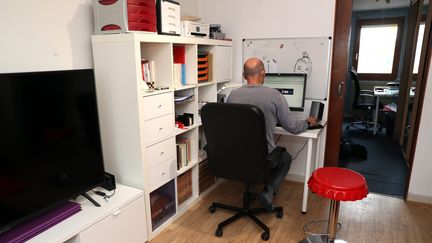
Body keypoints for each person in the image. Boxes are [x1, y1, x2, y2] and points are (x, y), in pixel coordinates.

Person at [227, 57, 318, 211]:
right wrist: (308, 122)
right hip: (263, 157)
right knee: (286, 158)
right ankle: (268, 191)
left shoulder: (233, 95)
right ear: (263, 73)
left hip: (237, 154)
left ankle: (250, 191)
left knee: (249, 153)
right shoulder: (275, 95)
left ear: (244, 76)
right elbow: (293, 127)